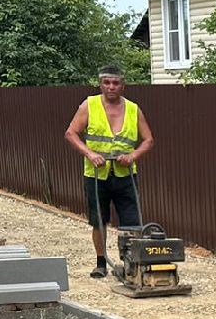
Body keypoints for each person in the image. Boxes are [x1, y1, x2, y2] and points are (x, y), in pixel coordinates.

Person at [64, 65, 154, 278]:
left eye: (115, 83)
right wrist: (90, 154)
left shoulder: (133, 109)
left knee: (132, 221)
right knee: (99, 220)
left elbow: (148, 140)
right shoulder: (89, 105)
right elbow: (71, 133)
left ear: (123, 85)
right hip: (96, 175)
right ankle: (101, 263)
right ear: (100, 84)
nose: (111, 87)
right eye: (107, 83)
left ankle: (131, 262)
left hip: (125, 174)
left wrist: (133, 156)